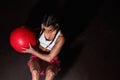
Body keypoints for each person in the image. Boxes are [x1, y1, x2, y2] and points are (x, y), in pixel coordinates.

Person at [22, 13, 65, 80]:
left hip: (51, 60)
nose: (46, 32)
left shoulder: (60, 38)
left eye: (50, 30)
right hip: (37, 57)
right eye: (45, 29)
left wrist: (33, 51)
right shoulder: (42, 27)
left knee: (51, 73)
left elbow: (49, 58)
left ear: (56, 25)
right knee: (35, 71)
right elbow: (29, 32)